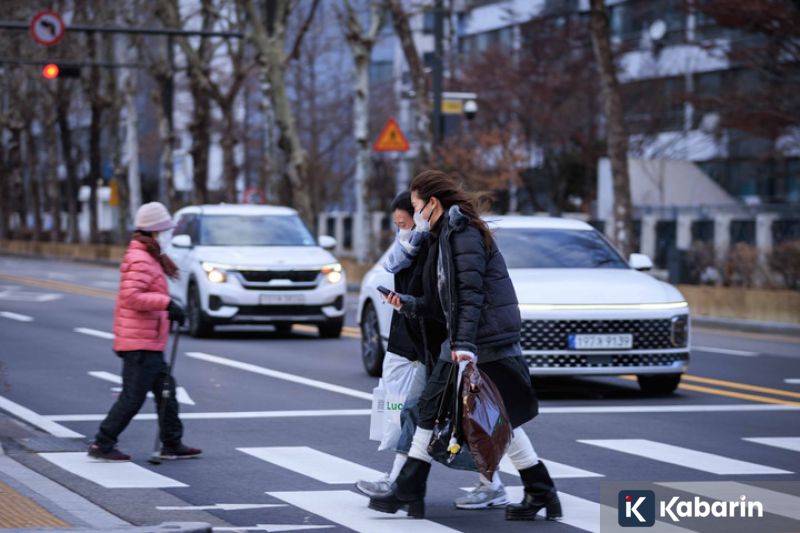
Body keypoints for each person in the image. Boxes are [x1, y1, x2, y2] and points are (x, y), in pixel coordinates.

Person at [369, 170, 562, 521]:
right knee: (489, 417)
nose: (415, 215)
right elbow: (445, 300)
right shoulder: (443, 235)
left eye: (416, 206)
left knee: (456, 413)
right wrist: (408, 303)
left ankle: (410, 488)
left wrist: (465, 344)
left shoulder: (463, 234)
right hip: (466, 339)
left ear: (433, 203)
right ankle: (540, 490)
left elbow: (470, 296)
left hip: (481, 341)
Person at [357, 192, 510, 510]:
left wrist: (460, 344)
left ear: (429, 207)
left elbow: (453, 299)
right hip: (439, 345)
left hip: (450, 346)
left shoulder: (441, 244)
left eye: (408, 217)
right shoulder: (415, 247)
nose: (402, 230)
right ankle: (406, 484)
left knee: (448, 415)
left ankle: (403, 485)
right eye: (398, 224)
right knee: (438, 415)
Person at [87, 202, 202, 462]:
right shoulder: (140, 258)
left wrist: (171, 308)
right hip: (139, 343)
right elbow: (132, 297)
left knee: (166, 392)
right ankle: (102, 443)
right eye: (165, 229)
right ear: (153, 231)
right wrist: (166, 303)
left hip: (149, 340)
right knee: (132, 397)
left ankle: (172, 442)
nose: (168, 234)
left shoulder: (149, 256)